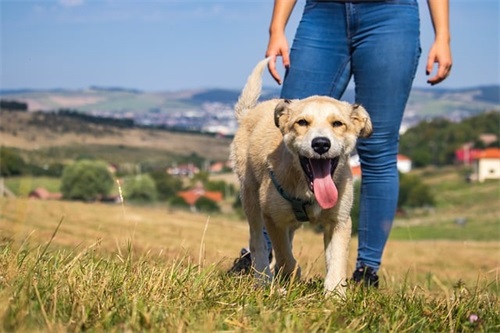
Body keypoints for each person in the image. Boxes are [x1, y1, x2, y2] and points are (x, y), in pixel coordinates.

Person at [229, 0, 452, 287]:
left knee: (379, 146)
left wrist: (443, 35)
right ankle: (265, 255)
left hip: (391, 14)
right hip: (323, 13)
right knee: (291, 128)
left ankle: (365, 272)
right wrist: (277, 28)